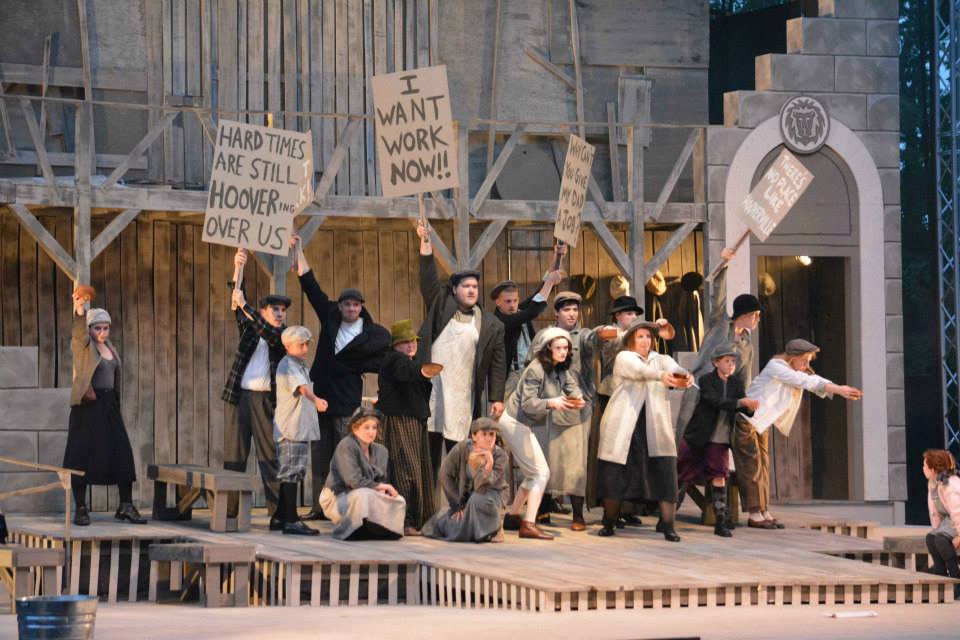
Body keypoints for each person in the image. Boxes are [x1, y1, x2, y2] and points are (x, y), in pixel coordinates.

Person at [290, 235, 391, 521]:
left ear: (361, 307)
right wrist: (298, 251)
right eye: (347, 305)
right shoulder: (331, 317)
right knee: (320, 452)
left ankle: (345, 506)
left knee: (344, 452)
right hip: (321, 393)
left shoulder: (371, 333)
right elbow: (311, 286)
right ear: (341, 306)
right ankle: (319, 506)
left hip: (346, 399)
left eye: (355, 305)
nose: (350, 309)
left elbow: (383, 363)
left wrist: (369, 379)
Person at [675, 248, 761, 527]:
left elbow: (744, 378)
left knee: (717, 453)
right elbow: (717, 297)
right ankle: (670, 506)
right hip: (700, 391)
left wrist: (745, 404)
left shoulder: (746, 344)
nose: (757, 320)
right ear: (744, 314)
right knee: (687, 445)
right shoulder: (720, 325)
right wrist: (724, 265)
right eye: (755, 315)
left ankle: (721, 515)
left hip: (724, 403)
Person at [741, 338, 862, 528]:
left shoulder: (791, 369)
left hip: (760, 424)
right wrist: (838, 389)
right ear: (792, 357)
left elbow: (814, 379)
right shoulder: (776, 366)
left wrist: (841, 389)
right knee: (752, 467)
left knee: (763, 467)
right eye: (804, 360)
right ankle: (754, 513)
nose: (806, 365)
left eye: (808, 361)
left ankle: (764, 510)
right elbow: (803, 381)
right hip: (746, 421)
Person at [415, 219, 506, 468]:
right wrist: (426, 242)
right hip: (434, 390)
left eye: (475, 286)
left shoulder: (491, 324)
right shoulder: (441, 306)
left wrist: (497, 397)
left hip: (463, 393)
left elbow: (498, 364)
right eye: (465, 286)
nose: (471, 290)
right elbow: (428, 279)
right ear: (454, 289)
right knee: (429, 452)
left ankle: (461, 493)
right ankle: (428, 494)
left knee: (461, 454)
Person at [596, 319, 693, 540]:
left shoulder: (661, 359)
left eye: (648, 336)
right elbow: (639, 371)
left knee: (664, 472)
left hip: (655, 425)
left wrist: (685, 376)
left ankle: (668, 525)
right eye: (640, 336)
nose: (645, 341)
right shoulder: (624, 357)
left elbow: (674, 368)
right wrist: (660, 376)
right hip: (624, 425)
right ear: (631, 339)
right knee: (616, 473)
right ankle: (609, 521)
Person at [63, 286, 144, 526]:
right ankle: (81, 508)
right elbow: (78, 330)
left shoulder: (110, 348)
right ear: (90, 329)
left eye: (105, 328)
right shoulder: (83, 345)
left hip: (108, 405)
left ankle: (125, 506)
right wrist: (79, 308)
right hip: (88, 406)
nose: (102, 332)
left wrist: (115, 403)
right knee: (81, 455)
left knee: (122, 453)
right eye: (97, 328)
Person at [222, 248, 289, 530]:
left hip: (264, 401)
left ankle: (277, 513)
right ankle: (229, 512)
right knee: (234, 455)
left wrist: (246, 306)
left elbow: (267, 331)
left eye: (283, 310)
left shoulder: (283, 336)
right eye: (275, 309)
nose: (280, 314)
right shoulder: (250, 329)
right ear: (263, 311)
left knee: (269, 456)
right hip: (239, 398)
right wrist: (238, 267)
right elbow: (238, 304)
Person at [499, 327, 585, 540]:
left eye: (565, 348)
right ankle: (528, 524)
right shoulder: (535, 369)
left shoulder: (561, 368)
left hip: (525, 424)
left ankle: (513, 516)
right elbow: (528, 404)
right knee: (541, 473)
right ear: (548, 348)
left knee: (533, 473)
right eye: (558, 348)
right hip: (514, 421)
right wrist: (551, 403)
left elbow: (572, 389)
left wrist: (578, 399)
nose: (563, 352)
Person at [528, 292, 595, 530]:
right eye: (566, 309)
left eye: (575, 309)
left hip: (576, 407)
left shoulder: (583, 336)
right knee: (544, 460)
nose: (572, 314)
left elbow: (596, 339)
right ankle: (542, 512)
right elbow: (531, 362)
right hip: (546, 407)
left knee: (576, 463)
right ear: (556, 313)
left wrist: (606, 333)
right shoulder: (544, 336)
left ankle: (578, 514)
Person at [677, 343, 758, 537]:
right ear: (716, 363)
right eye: (727, 361)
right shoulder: (707, 380)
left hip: (720, 437)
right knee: (684, 474)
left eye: (733, 361)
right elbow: (714, 400)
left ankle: (720, 521)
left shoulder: (736, 382)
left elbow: (742, 405)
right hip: (699, 435)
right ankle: (667, 516)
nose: (731, 364)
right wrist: (740, 402)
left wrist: (750, 407)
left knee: (719, 475)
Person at [376, 319, 443, 536]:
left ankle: (417, 519)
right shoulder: (395, 360)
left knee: (417, 469)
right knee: (407, 470)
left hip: (414, 420)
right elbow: (407, 371)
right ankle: (406, 520)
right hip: (401, 421)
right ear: (396, 345)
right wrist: (423, 371)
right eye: (405, 342)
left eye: (413, 341)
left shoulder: (408, 361)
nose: (411, 345)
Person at [272, 326, 328, 536]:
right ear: (288, 346)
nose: (305, 348)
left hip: (298, 427)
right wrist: (316, 400)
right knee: (291, 472)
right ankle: (291, 520)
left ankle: (279, 516)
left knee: (292, 471)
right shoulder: (289, 365)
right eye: (300, 344)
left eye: (306, 344)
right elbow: (302, 388)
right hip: (291, 428)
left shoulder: (298, 364)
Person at [319, 408, 406, 540]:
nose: (371, 432)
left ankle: (383, 530)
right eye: (366, 427)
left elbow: (381, 480)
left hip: (367, 494)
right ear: (355, 429)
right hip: (338, 497)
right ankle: (353, 529)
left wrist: (383, 491)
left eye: (374, 428)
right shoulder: (347, 445)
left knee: (398, 500)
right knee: (363, 494)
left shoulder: (381, 451)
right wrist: (382, 487)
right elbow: (353, 481)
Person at [491, 245, 565, 394]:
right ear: (498, 302)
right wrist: (550, 282)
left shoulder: (517, 311)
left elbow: (539, 294)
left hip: (530, 371)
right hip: (512, 376)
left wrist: (557, 258)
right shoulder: (499, 320)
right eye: (507, 301)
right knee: (509, 409)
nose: (512, 305)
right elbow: (533, 310)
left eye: (515, 300)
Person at [422, 418, 509, 543]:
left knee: (477, 499)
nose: (489, 438)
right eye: (484, 434)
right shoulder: (462, 448)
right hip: (467, 497)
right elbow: (444, 474)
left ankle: (496, 528)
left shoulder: (500, 455)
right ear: (474, 436)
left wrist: (488, 465)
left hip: (493, 494)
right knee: (452, 521)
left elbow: (482, 487)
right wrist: (457, 505)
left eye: (492, 434)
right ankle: (481, 530)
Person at [922, 449, 960, 591]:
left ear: (933, 469)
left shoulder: (949, 485)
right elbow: (935, 512)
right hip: (951, 520)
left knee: (941, 540)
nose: (923, 468)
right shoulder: (933, 483)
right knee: (931, 538)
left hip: (957, 519)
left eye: (925, 466)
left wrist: (959, 536)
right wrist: (937, 530)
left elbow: (958, 511)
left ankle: (956, 580)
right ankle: (940, 574)